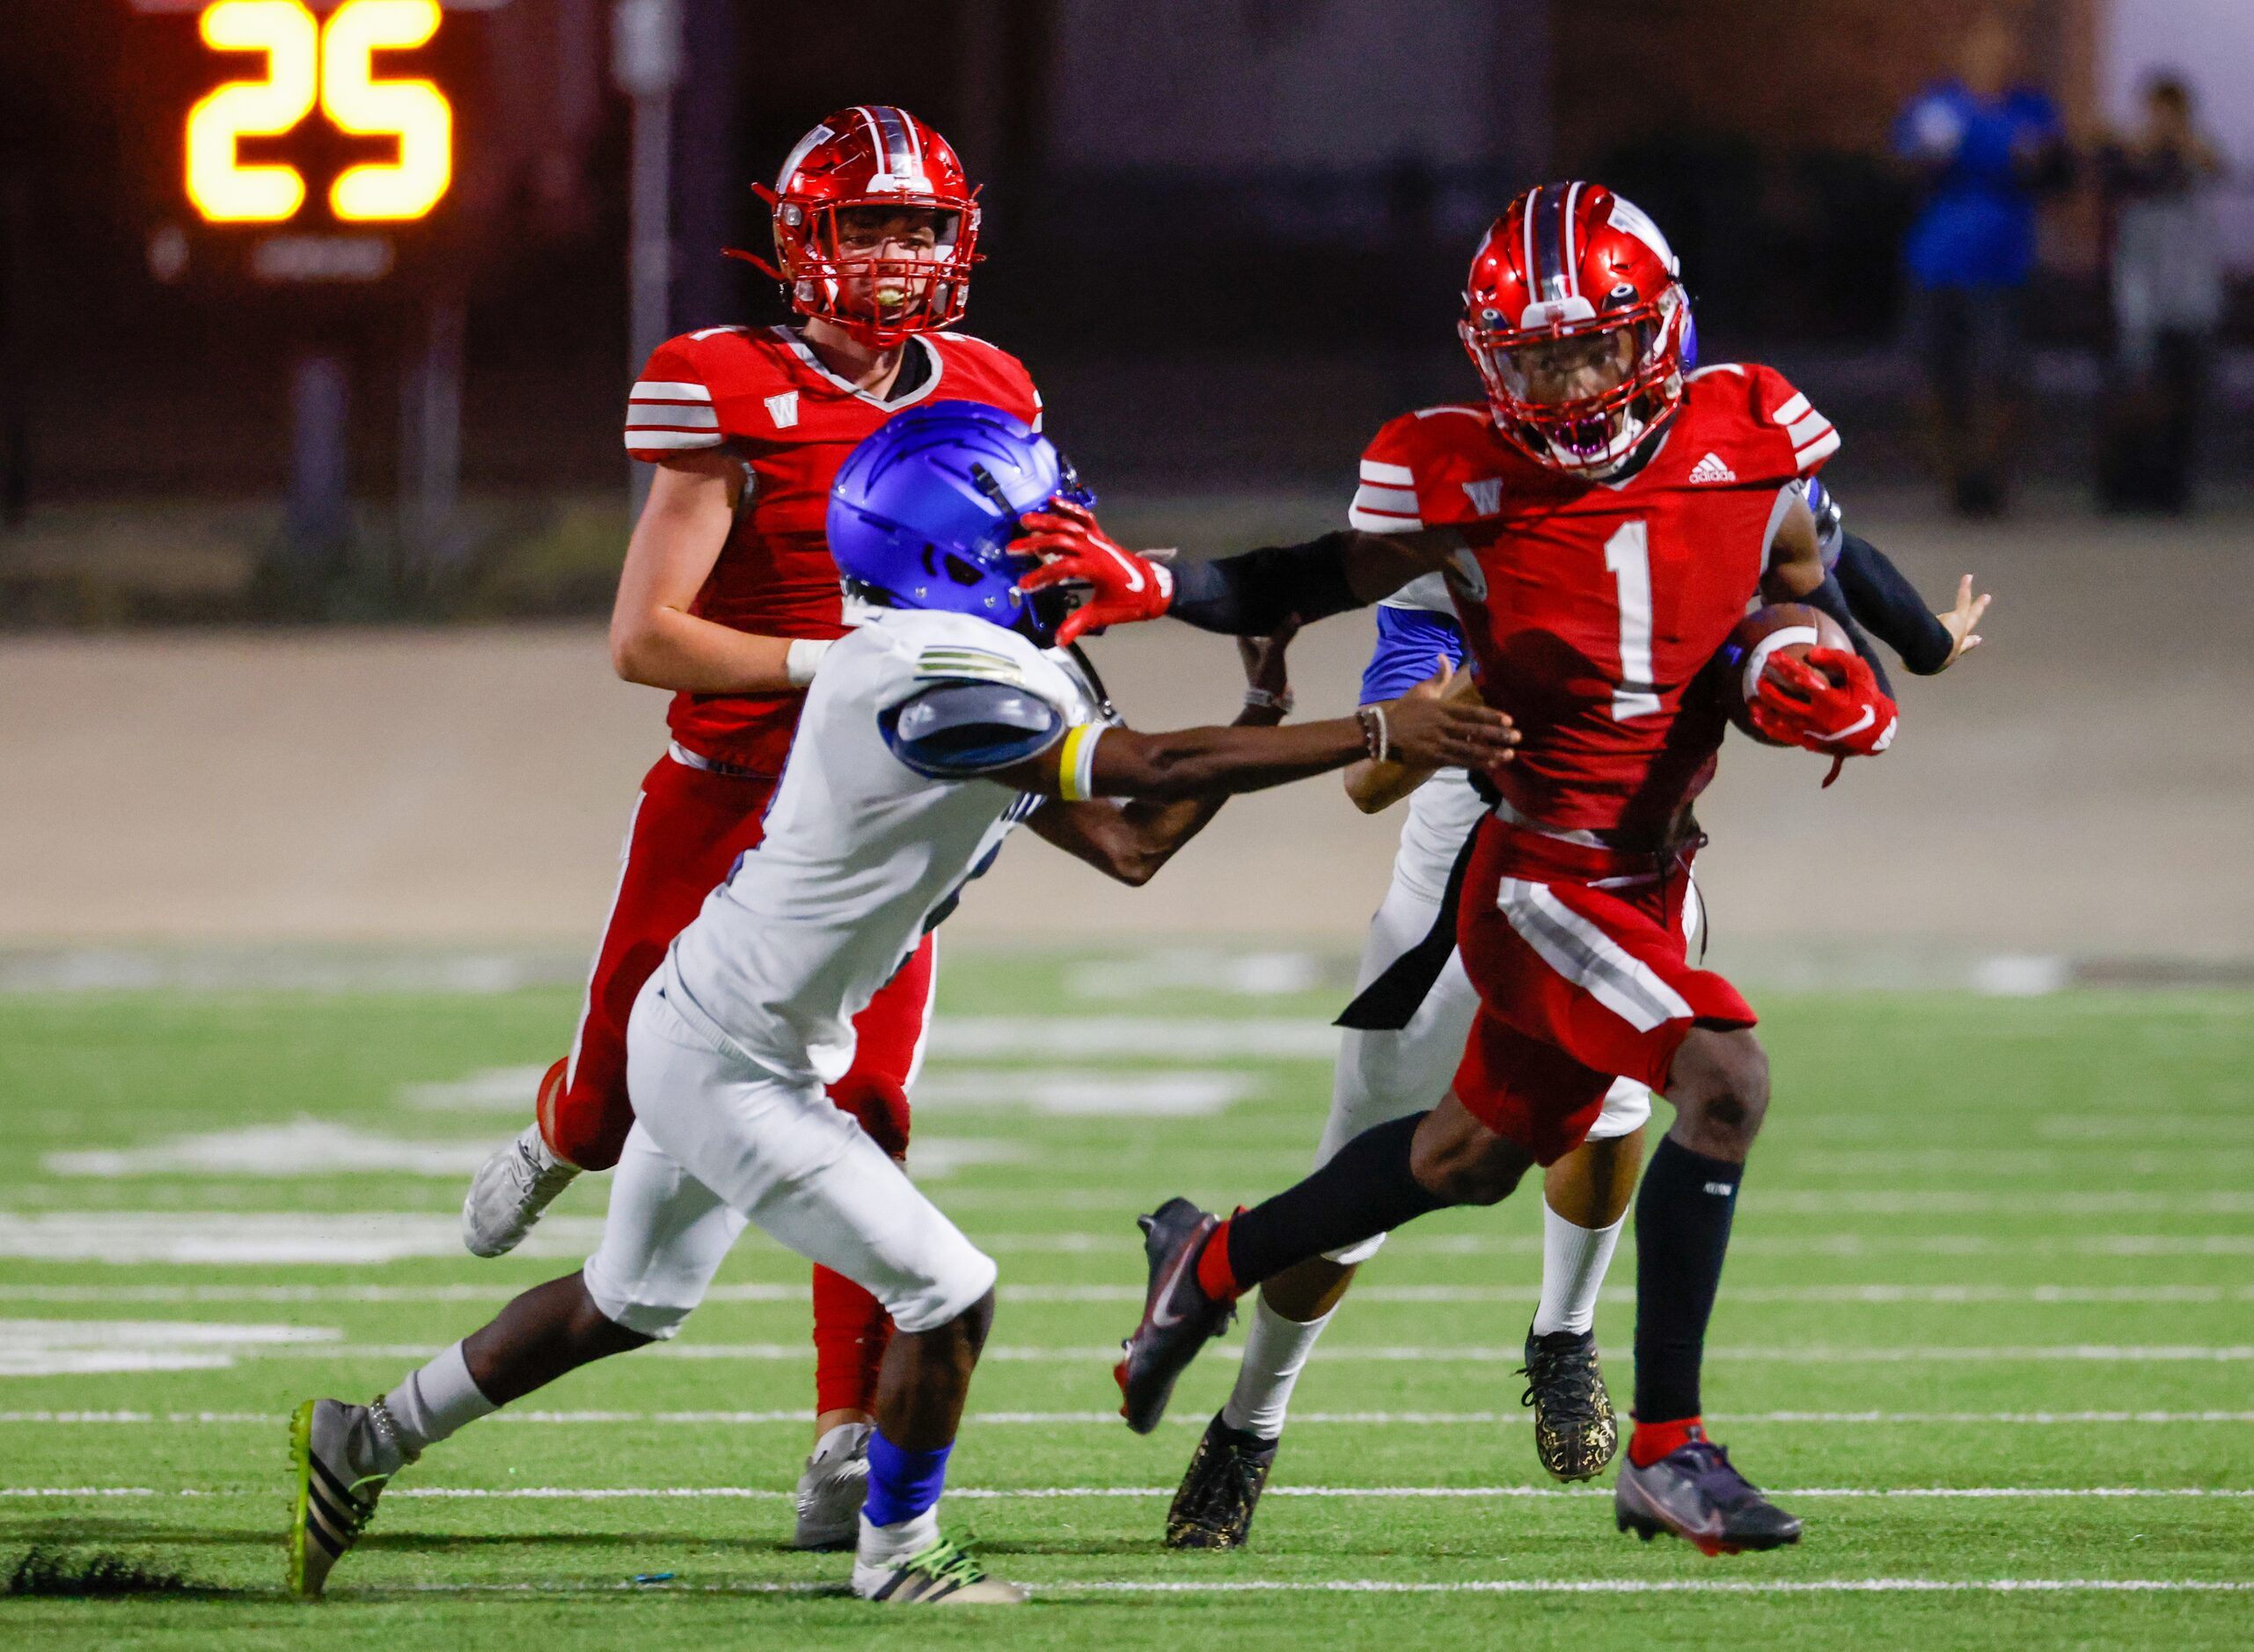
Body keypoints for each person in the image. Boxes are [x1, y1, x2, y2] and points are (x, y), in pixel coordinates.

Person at [291, 401, 1520, 1605]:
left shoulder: (965, 660)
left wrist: (1260, 708)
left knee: (626, 1301)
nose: (1065, 534)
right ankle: (900, 1551)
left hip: (730, 1021)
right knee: (948, 1288)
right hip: (734, 1053)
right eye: (1035, 520)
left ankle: (362, 1439)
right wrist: (1370, 727)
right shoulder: (933, 676)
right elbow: (1151, 765)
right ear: (953, 550)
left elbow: (1133, 843)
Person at [1011, 182, 1941, 1555]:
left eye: (1593, 348)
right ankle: (1669, 1453)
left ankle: (1204, 1259)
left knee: (1465, 1157)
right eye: (1536, 358)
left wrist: (1800, 658)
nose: (1566, 384)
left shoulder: (1746, 430)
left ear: (1661, 331)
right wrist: (1156, 582)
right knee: (1723, 1076)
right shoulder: (1458, 476)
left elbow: (1790, 573)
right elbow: (1303, 575)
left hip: (1651, 863)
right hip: (1536, 876)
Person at [1161, 461, 1985, 1549]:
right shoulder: (1468, 516)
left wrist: (1876, 652)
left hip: (1631, 879)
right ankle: (1245, 1428)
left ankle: (1566, 1333)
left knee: (1615, 1117)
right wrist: (1476, 699)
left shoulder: (1704, 490)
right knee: (1360, 1188)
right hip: (1465, 893)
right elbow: (1369, 776)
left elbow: (1826, 561)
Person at [457, 106, 1042, 1548]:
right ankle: (557, 1121)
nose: (895, 253)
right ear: (799, 239)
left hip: (876, 822)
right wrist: (822, 663)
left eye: (918, 225)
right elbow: (643, 636)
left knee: (866, 1111)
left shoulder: (986, 388)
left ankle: (844, 1433)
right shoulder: (725, 383)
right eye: (864, 224)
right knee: (607, 1119)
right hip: (722, 800)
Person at [1893, 11, 2070, 517]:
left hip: (2005, 268)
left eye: (2005, 50)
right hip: (1936, 264)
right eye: (1986, 49)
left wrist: (1995, 153)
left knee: (2004, 379)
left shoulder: (2033, 109)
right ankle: (1954, 482)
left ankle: (1990, 482)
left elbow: (2055, 170)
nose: (1997, 59)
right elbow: (1908, 159)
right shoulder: (1938, 105)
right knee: (1932, 379)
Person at [2097, 74, 2223, 514]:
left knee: (2187, 391)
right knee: (2137, 386)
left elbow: (2214, 166)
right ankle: (2127, 484)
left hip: (2189, 290)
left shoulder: (2195, 149)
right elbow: (2115, 167)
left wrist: (2179, 137)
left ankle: (2174, 486)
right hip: (2141, 291)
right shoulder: (2133, 149)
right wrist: (2148, 140)